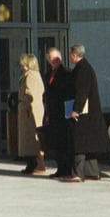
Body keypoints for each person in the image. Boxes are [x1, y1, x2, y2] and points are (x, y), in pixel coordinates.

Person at [64, 44, 109, 182]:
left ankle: (78, 174)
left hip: (83, 114)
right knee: (88, 143)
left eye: (70, 54)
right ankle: (93, 172)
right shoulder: (84, 67)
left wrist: (76, 110)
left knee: (80, 143)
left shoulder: (82, 69)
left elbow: (82, 92)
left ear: (75, 55)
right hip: (89, 114)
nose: (69, 56)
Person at [42, 47, 73, 178]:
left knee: (64, 142)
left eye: (56, 58)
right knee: (56, 143)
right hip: (53, 112)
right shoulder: (48, 74)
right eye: (51, 59)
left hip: (62, 113)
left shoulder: (66, 73)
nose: (54, 61)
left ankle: (66, 169)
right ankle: (60, 168)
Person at [17, 53, 46, 175]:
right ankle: (33, 164)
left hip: (30, 111)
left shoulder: (31, 76)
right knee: (32, 139)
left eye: (23, 64)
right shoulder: (32, 75)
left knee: (31, 139)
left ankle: (36, 165)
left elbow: (30, 95)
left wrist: (24, 104)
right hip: (31, 111)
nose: (21, 67)